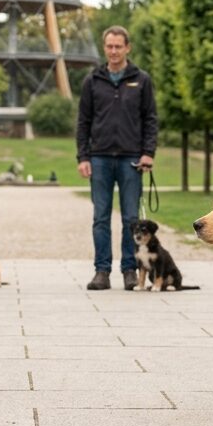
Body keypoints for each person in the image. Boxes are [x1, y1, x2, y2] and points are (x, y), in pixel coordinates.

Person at [75, 26, 159, 291]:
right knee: (100, 217)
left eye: (118, 46)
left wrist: (148, 152)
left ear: (127, 48)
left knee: (130, 219)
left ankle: (129, 271)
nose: (113, 51)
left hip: (131, 158)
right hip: (99, 158)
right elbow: (83, 121)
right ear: (104, 48)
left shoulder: (141, 80)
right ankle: (102, 271)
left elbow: (150, 119)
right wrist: (83, 156)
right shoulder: (92, 80)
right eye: (109, 46)